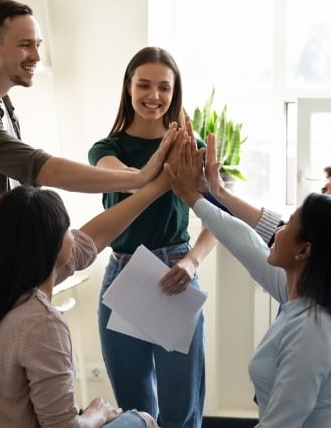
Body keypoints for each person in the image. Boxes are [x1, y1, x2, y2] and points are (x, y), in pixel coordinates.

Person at [0, 0, 170, 348]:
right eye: (25, 44)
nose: (36, 55)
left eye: (37, 45)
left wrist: (148, 184)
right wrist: (140, 178)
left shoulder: (1, 104)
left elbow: (86, 240)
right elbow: (43, 168)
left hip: (1, 271)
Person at [165, 134, 331, 427]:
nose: (277, 231)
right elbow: (246, 243)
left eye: (289, 224)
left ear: (304, 250)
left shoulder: (311, 329)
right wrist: (195, 197)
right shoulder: (310, 298)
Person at [0, 168, 181, 427]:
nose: (74, 234)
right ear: (52, 247)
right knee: (143, 419)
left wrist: (157, 187)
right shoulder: (41, 322)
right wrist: (95, 414)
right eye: (68, 228)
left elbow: (91, 240)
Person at [87, 46, 216, 427]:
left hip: (174, 273)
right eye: (144, 85)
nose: (154, 96)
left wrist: (192, 261)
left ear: (175, 92)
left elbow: (216, 222)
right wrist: (164, 161)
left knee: (182, 405)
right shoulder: (105, 150)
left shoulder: (191, 150)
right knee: (135, 408)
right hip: (122, 274)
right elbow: (130, 181)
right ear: (128, 87)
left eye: (164, 87)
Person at [202, 154, 331, 246]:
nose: (324, 200)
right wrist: (217, 192)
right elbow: (274, 228)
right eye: (324, 192)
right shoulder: (311, 244)